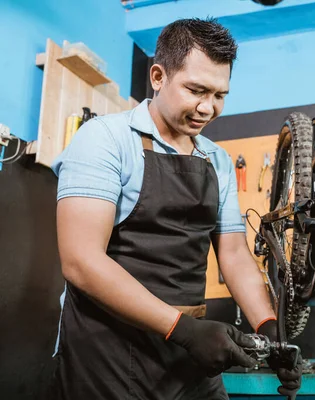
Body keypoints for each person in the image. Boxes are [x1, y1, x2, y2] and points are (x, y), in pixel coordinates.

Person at [50, 17, 301, 399]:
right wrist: (182, 330)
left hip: (190, 352)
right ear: (157, 77)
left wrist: (269, 330)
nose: (208, 108)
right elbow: (81, 261)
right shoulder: (105, 140)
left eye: (220, 95)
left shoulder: (217, 160)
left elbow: (232, 255)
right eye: (196, 90)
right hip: (107, 352)